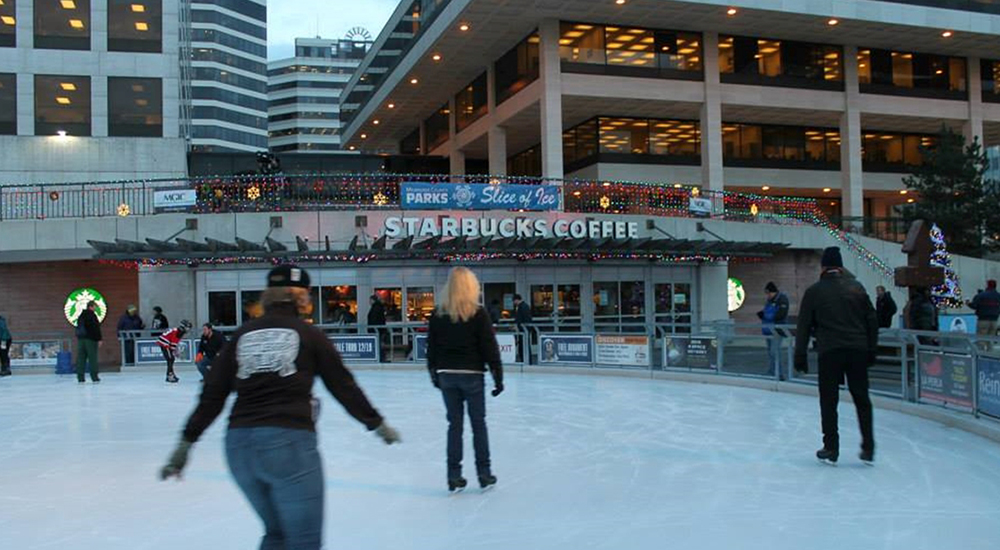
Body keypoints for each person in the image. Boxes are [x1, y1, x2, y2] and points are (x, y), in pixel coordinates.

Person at [160, 265, 400, 549]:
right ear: (301, 297)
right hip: (288, 444)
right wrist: (376, 423)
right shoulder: (308, 334)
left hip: (239, 447)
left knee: (277, 535)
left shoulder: (242, 335)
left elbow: (213, 393)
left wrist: (185, 444)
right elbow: (343, 386)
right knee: (303, 541)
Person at [794, 247, 878, 466]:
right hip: (858, 350)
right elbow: (871, 320)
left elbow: (803, 325)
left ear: (823, 267)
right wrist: (871, 349)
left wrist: (800, 355)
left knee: (829, 400)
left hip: (830, 351)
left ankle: (831, 447)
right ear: (840, 267)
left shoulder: (814, 291)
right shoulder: (857, 288)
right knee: (862, 398)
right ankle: (868, 447)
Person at [426, 267, 502, 492]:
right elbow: (490, 347)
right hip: (472, 376)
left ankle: (453, 474)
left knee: (454, 426)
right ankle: (484, 473)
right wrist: (498, 377)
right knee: (478, 425)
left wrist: (433, 373)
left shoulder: (438, 313)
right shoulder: (478, 314)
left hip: (447, 375)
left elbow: (432, 347)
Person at [757, 282, 789, 379]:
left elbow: (781, 314)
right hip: (768, 329)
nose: (768, 295)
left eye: (769, 293)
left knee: (774, 351)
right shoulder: (769, 301)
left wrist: (766, 316)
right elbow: (767, 311)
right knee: (770, 352)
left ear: (774, 292)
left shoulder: (781, 299)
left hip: (777, 330)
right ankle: (772, 371)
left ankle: (778, 373)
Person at [76, 301, 103, 383]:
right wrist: (99, 339)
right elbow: (96, 328)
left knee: (81, 359)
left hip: (81, 340)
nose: (95, 308)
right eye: (95, 306)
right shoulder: (92, 315)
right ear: (91, 306)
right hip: (90, 340)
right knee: (92, 358)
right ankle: (94, 377)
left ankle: (80, 377)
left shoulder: (81, 316)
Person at [968, 280, 1000, 347]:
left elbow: (974, 306)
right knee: (991, 340)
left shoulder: (981, 295)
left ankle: (981, 355)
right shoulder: (998, 296)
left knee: (981, 339)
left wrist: (967, 303)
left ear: (987, 285)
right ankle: (989, 355)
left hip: (983, 320)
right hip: (994, 320)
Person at [367, 294, 388, 362]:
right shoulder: (377, 307)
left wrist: (372, 328)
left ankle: (381, 358)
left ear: (373, 300)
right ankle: (381, 357)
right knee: (379, 344)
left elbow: (374, 319)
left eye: (370, 300)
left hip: (377, 330)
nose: (369, 302)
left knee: (378, 344)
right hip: (378, 330)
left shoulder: (376, 308)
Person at [513, 294, 532, 363]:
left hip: (524, 329)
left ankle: (526, 360)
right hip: (523, 329)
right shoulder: (523, 306)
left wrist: (520, 326)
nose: (514, 303)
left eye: (514, 301)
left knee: (524, 345)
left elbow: (524, 318)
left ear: (517, 300)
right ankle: (525, 359)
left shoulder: (523, 307)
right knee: (523, 345)